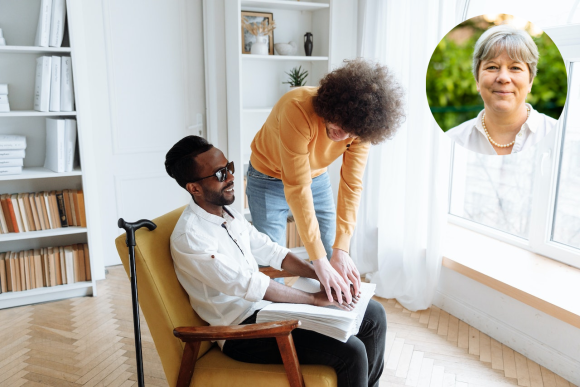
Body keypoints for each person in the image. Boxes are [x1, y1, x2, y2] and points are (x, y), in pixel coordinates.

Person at [165, 135, 387, 387]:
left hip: (267, 311)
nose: (230, 177)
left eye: (229, 168)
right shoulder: (191, 237)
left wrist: (323, 275)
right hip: (242, 331)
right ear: (193, 188)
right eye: (219, 175)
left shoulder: (229, 215)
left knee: (374, 314)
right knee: (351, 352)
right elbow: (248, 284)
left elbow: (273, 252)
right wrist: (313, 299)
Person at [247, 58, 405, 304]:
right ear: (331, 106)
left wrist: (341, 249)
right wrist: (318, 260)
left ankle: (331, 318)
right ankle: (276, 325)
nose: (344, 136)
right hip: (266, 176)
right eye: (341, 125)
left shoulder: (359, 129)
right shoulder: (297, 108)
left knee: (334, 253)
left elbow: (352, 185)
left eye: (353, 132)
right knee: (271, 259)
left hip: (316, 176)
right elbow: (297, 187)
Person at [446, 24, 558, 155]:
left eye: (515, 68)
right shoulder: (453, 140)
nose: (503, 78)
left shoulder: (559, 136)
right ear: (477, 79)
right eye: (492, 67)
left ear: (530, 81)